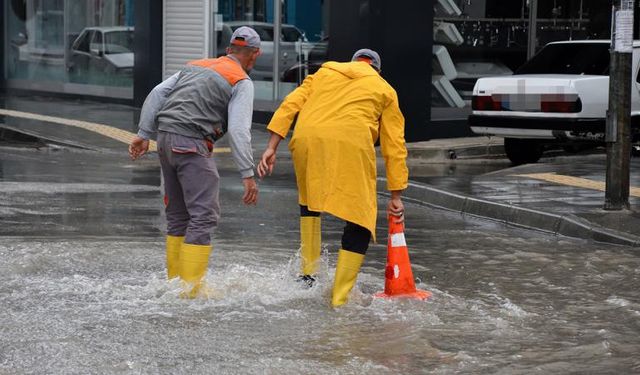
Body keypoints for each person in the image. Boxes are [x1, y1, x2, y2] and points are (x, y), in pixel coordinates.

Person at [257, 49, 408, 307]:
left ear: (352, 64)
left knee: (310, 200)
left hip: (306, 138)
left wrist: (272, 146)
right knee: (361, 216)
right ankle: (340, 297)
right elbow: (394, 144)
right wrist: (396, 195)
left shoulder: (323, 73)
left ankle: (308, 276)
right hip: (351, 142)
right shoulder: (384, 89)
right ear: (377, 69)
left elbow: (290, 105)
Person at [128, 26, 261, 298]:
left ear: (228, 50)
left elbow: (156, 93)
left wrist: (144, 135)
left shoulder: (195, 65)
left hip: (164, 140)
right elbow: (238, 129)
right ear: (255, 55)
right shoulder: (241, 80)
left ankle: (174, 284)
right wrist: (247, 173)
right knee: (203, 215)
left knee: (178, 215)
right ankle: (190, 292)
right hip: (191, 142)